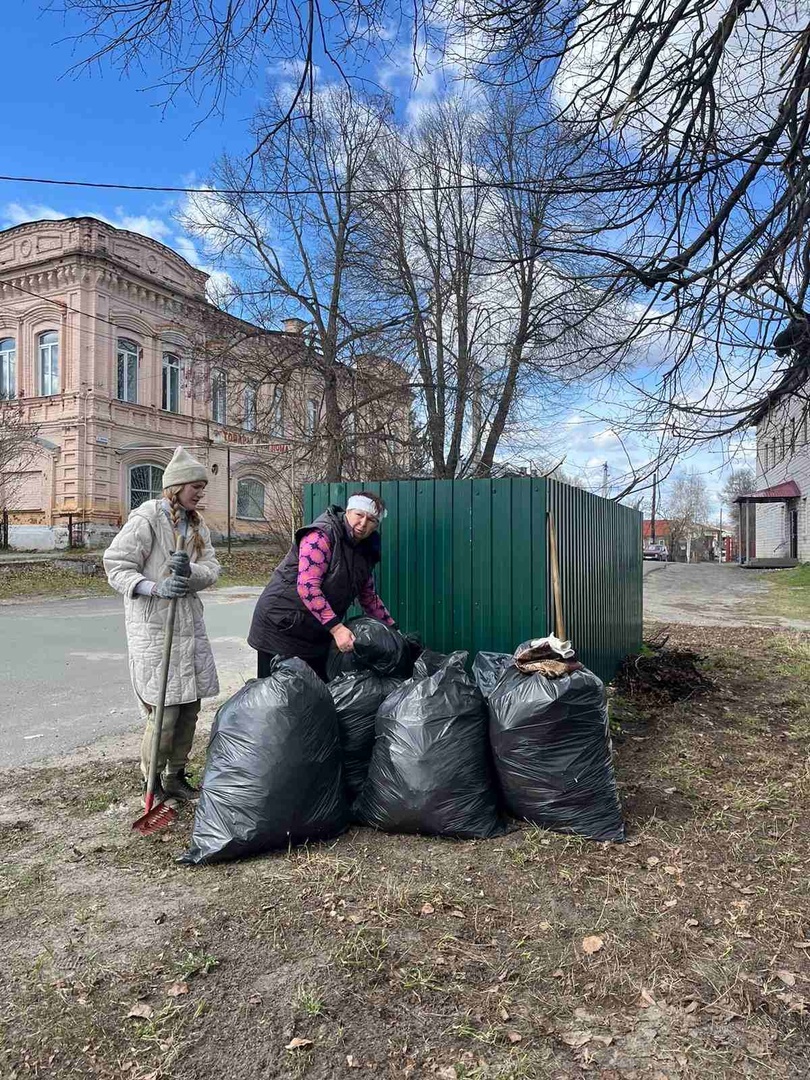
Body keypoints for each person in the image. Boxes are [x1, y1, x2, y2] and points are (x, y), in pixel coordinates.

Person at [104, 446, 221, 806]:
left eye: (202, 487)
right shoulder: (148, 518)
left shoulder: (197, 525)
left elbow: (213, 569)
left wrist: (190, 574)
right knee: (166, 711)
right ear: (176, 487)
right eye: (195, 487)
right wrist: (155, 587)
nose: (200, 493)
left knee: (190, 709)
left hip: (188, 626)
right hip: (156, 629)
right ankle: (151, 781)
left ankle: (176, 777)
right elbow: (116, 566)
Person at [248, 491, 396, 681]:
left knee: (313, 695)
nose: (363, 524)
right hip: (281, 623)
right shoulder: (322, 535)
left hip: (315, 628)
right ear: (348, 512)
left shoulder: (366, 549)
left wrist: (393, 630)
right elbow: (307, 587)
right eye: (359, 515)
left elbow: (368, 596)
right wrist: (337, 629)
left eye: (372, 520)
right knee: (276, 698)